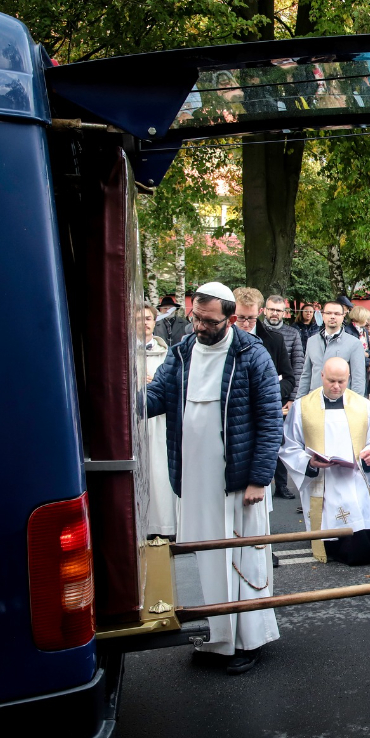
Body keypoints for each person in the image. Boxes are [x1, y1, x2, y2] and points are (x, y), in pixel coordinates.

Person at [145, 281, 282, 675]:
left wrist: (259, 478)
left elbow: (270, 421)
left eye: (208, 321)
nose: (199, 327)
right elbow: (157, 395)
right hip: (195, 478)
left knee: (243, 559)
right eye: (195, 318)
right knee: (207, 557)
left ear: (231, 319)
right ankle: (217, 638)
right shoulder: (182, 350)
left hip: (237, 480)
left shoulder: (251, 354)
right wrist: (125, 401)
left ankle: (248, 641)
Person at [280, 358, 370, 565]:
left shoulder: (363, 406)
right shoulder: (303, 407)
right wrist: (309, 463)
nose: (336, 386)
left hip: (353, 478)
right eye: (331, 381)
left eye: (341, 381)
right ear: (321, 376)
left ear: (349, 378)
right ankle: (329, 545)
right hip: (322, 481)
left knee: (355, 527)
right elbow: (290, 446)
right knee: (331, 525)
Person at [264, 293, 305, 500]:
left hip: (283, 394)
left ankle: (281, 485)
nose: (275, 313)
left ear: (284, 313)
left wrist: (292, 397)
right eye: (271, 309)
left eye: (279, 310)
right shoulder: (257, 332)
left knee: (280, 441)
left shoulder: (292, 333)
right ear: (265, 310)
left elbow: (298, 366)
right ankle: (262, 485)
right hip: (260, 393)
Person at [142, 303, 177, 539]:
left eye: (147, 317)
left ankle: (165, 526)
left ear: (154, 321)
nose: (143, 322)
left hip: (161, 421)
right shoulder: (121, 353)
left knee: (161, 473)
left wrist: (155, 381)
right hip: (140, 423)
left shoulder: (166, 353)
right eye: (138, 318)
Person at [233, 288, 296, 413]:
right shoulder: (223, 339)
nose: (246, 324)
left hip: (264, 410)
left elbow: (289, 380)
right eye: (240, 318)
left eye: (251, 318)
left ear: (260, 312)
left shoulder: (275, 340)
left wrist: (269, 393)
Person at [299, 301, 366, 396]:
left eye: (337, 314)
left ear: (343, 316)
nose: (332, 316)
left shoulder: (354, 344)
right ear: (322, 315)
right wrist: (299, 402)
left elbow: (358, 378)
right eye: (329, 313)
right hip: (315, 400)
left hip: (341, 401)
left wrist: (354, 405)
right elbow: (306, 375)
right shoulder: (312, 341)